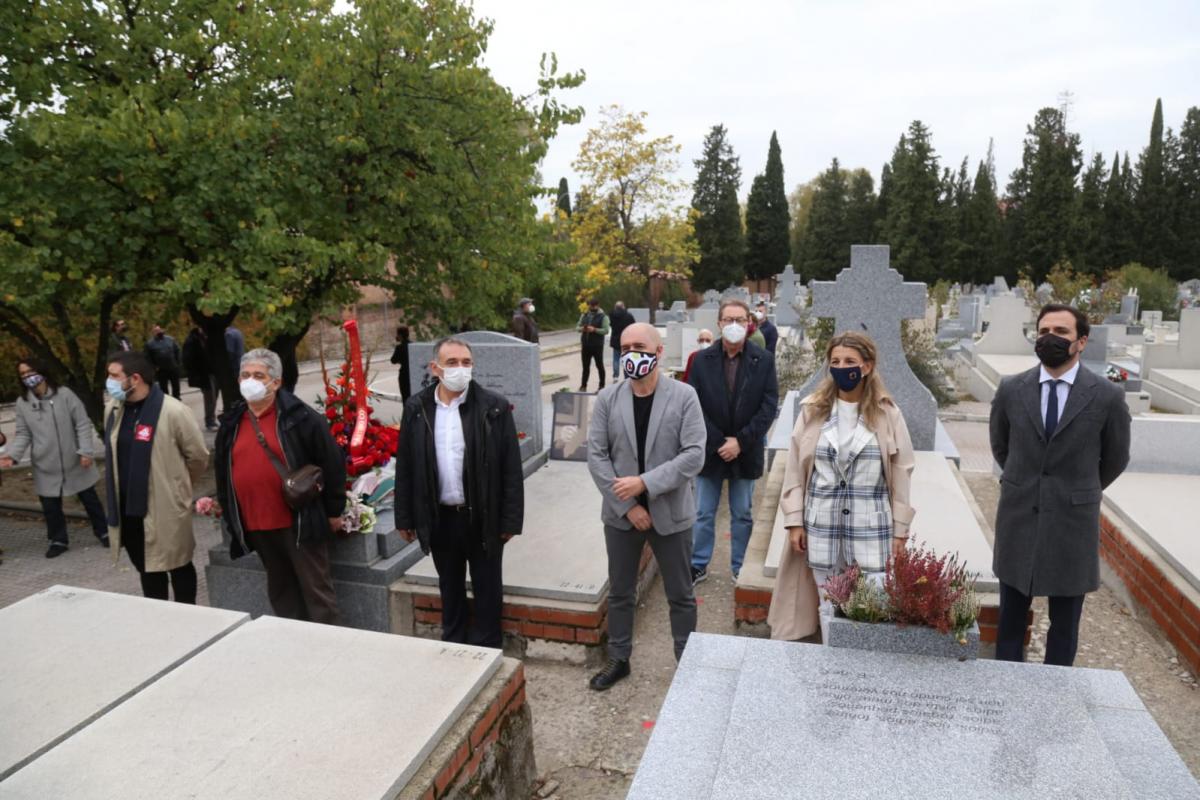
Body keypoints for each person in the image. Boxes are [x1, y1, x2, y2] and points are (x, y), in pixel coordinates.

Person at [990, 304, 1131, 667]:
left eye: (1062, 332)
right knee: (1010, 622)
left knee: (1064, 627)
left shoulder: (1106, 396)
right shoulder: (1010, 390)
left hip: (1072, 522)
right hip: (1019, 517)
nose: (1050, 338)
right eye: (1043, 330)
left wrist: (1077, 490)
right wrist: (1029, 484)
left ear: (1081, 341)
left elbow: (1115, 458)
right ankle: (1007, 687)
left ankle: (1055, 699)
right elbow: (1001, 446)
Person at [767, 332, 916, 642]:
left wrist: (900, 531)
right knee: (828, 611)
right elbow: (795, 468)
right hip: (822, 529)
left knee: (872, 612)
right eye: (835, 361)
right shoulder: (813, 410)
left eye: (849, 361)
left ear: (867, 366)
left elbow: (902, 473)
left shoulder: (889, 414)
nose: (841, 367)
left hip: (871, 531)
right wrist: (794, 521)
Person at [586, 323, 706, 689]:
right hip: (622, 515)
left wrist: (645, 483)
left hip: (670, 513)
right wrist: (628, 506)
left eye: (639, 345)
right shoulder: (608, 398)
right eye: (624, 347)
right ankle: (619, 658)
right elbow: (596, 455)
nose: (630, 353)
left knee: (681, 594)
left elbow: (694, 454)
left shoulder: (684, 396)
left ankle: (686, 661)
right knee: (621, 592)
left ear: (657, 352)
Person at [395, 337, 524, 648]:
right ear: (435, 367)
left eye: (466, 363)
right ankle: (453, 642)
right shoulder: (417, 408)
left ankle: (488, 647)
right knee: (449, 585)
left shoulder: (493, 407)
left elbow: (510, 468)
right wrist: (405, 517)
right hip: (441, 517)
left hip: (481, 516)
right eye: (452, 363)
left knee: (487, 587)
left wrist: (509, 521)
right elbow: (408, 466)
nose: (460, 369)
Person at [214, 349, 347, 624]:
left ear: (275, 382)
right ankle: (292, 641)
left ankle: (328, 645)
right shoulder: (232, 421)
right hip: (256, 522)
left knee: (316, 589)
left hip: (298, 521)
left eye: (258, 375)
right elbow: (222, 471)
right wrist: (229, 514)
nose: (250, 381)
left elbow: (331, 462)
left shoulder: (299, 417)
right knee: (281, 589)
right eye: (245, 375)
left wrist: (334, 510)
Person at [102, 351, 209, 603]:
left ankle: (189, 615)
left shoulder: (173, 411)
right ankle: (159, 618)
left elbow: (198, 457)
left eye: (114, 376)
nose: (109, 381)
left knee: (178, 564)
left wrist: (176, 487)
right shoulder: (113, 408)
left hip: (165, 507)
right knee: (147, 569)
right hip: (129, 509)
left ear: (135, 378)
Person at [686, 299, 778, 583]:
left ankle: (740, 567)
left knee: (742, 514)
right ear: (719, 323)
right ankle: (698, 563)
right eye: (728, 320)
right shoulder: (702, 360)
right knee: (702, 512)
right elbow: (694, 405)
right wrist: (717, 442)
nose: (734, 325)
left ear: (749, 323)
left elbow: (768, 405)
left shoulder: (763, 360)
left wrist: (739, 441)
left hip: (745, 450)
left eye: (740, 319)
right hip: (710, 451)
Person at [1, 359, 110, 557]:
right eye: (23, 374)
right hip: (45, 464)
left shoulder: (65, 394)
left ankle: (103, 532)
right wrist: (12, 456)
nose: (27, 377)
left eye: (30, 371)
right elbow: (23, 433)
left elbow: (82, 424)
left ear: (41, 371)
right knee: (50, 506)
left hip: (75, 460)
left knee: (90, 499)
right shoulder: (22, 402)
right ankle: (58, 540)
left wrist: (85, 451)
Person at [182, 327, 218, 430]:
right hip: (204, 374)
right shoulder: (193, 340)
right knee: (210, 397)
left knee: (213, 397)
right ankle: (210, 421)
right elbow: (188, 359)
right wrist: (195, 373)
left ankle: (211, 419)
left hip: (211, 372)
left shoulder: (205, 337)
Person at [577, 297, 611, 392]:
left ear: (598, 305)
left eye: (594, 306)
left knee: (599, 365)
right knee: (585, 367)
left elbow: (606, 330)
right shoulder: (585, 315)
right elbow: (577, 327)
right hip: (586, 345)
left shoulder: (603, 317)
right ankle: (583, 386)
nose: (592, 307)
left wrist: (594, 330)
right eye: (590, 306)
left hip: (597, 345)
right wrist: (582, 329)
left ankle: (601, 386)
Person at [144, 324, 183, 399]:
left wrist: (178, 363)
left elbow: (177, 350)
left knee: (176, 385)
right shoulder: (150, 344)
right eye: (156, 331)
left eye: (159, 330)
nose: (158, 332)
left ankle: (177, 397)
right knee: (163, 387)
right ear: (153, 332)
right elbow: (147, 358)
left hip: (173, 367)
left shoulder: (170, 339)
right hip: (161, 369)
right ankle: (167, 400)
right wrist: (154, 367)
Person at [608, 301, 634, 381]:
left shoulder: (611, 315)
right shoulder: (628, 316)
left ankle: (615, 376)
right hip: (626, 340)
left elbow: (610, 324)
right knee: (626, 359)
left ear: (615, 307)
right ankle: (627, 376)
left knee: (616, 359)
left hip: (615, 340)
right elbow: (633, 326)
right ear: (623, 307)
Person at [390, 325, 412, 401]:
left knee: (406, 398)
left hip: (404, 376)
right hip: (413, 374)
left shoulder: (399, 347)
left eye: (397, 334)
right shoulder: (413, 345)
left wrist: (400, 360)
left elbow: (393, 360)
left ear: (400, 335)